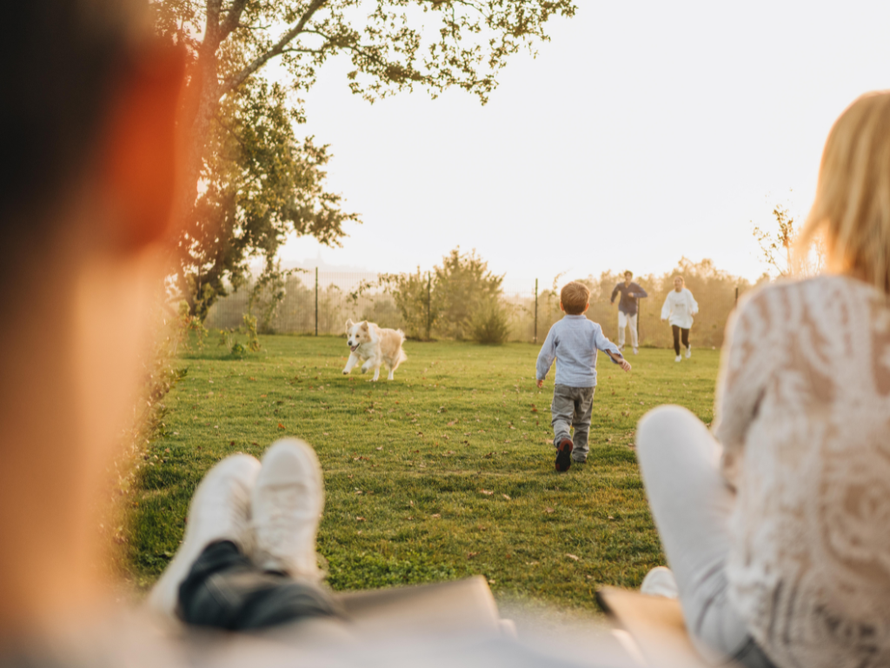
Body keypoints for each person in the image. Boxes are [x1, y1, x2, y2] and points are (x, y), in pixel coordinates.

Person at [635, 90, 890, 668]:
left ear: (836, 190)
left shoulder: (780, 311)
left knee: (668, 428)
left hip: (776, 642)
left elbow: (733, 467)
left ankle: (673, 601)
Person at [536, 281, 631, 472]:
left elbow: (546, 354)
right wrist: (617, 357)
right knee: (583, 421)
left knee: (561, 417)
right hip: (587, 384)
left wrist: (541, 373)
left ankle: (563, 438)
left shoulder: (557, 328)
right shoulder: (593, 328)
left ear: (562, 306)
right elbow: (605, 344)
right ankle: (579, 454)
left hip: (564, 383)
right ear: (586, 306)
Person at [660, 276, 698, 362]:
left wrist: (694, 310)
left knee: (684, 340)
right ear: (674, 283)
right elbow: (666, 306)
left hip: (685, 318)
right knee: (676, 337)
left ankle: (688, 347)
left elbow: (693, 303)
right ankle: (678, 355)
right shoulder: (671, 294)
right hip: (675, 318)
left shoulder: (687, 293)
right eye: (675, 281)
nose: (677, 283)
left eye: (678, 281)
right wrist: (664, 316)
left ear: (682, 283)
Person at [610, 271, 648, 354]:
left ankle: (635, 346)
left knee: (633, 329)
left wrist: (634, 295)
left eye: (629, 276)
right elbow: (615, 291)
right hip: (622, 308)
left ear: (631, 277)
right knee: (621, 326)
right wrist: (612, 300)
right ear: (624, 277)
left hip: (632, 310)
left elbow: (645, 294)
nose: (627, 277)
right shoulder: (621, 285)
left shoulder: (635, 286)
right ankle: (621, 344)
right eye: (626, 276)